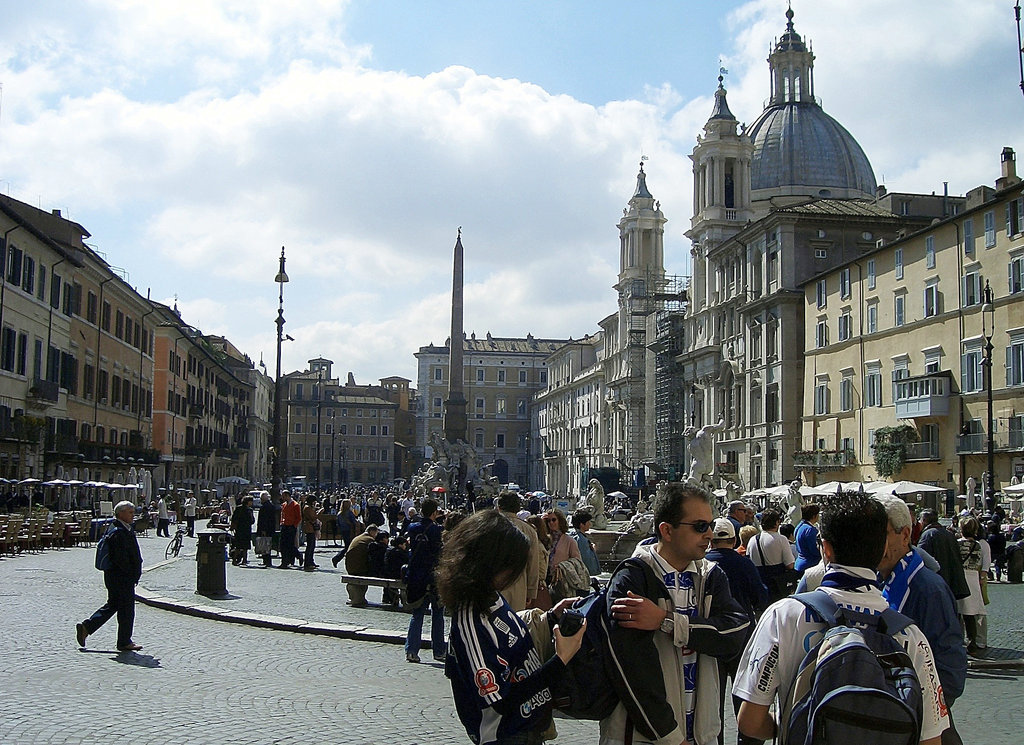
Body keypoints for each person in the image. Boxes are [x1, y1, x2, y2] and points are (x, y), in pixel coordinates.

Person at [733, 492, 950, 745]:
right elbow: (930, 738)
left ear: (825, 548)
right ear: (882, 549)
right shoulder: (910, 635)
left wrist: (804, 722)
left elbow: (750, 722)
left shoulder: (784, 616)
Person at [601, 482, 749, 745]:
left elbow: (735, 634)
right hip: (643, 737)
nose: (709, 535)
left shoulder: (711, 576)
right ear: (667, 530)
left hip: (702, 732)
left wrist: (665, 621)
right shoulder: (632, 578)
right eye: (700, 527)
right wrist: (669, 737)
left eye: (711, 526)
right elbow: (632, 669)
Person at [439, 509, 585, 745]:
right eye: (512, 566)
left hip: (529, 725)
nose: (517, 573)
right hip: (507, 735)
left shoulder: (493, 598)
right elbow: (501, 700)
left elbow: (513, 641)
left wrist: (550, 618)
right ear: (491, 564)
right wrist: (560, 660)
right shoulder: (471, 623)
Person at [874, 493, 967, 745]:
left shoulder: (928, 588)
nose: (872, 543)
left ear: (904, 535)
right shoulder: (879, 580)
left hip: (918, 723)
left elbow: (950, 669)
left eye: (880, 534)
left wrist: (916, 710)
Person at [704, 518, 769, 745]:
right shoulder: (744, 564)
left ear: (711, 541)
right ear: (733, 540)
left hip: (712, 638)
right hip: (742, 637)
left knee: (712, 699)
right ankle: (747, 739)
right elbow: (760, 598)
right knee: (743, 693)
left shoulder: (703, 565)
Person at [76, 500, 144, 652]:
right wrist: (130, 575)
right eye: (130, 512)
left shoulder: (119, 528)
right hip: (120, 577)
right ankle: (124, 641)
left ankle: (87, 628)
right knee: (126, 609)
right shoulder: (119, 532)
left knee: (114, 605)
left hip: (116, 576)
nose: (133, 515)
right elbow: (121, 558)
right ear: (121, 513)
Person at [404, 498, 445, 663]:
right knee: (438, 614)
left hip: (416, 576)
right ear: (435, 513)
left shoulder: (413, 527)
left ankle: (412, 651)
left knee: (417, 614)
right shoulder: (437, 530)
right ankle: (439, 651)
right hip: (433, 575)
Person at [496, 491, 541, 611]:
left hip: (493, 584)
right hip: (518, 584)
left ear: (499, 507)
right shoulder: (529, 530)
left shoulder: (488, 527)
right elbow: (533, 563)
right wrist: (531, 591)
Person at [918, 509, 970, 600]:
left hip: (936, 583)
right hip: (952, 582)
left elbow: (920, 559)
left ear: (924, 521)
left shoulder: (927, 535)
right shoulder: (949, 534)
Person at [956, 516, 989, 656]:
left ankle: (957, 640)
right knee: (970, 613)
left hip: (959, 577)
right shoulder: (979, 545)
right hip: (973, 577)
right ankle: (972, 641)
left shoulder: (956, 544)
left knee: (957, 611)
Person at [746, 508, 795, 602]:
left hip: (759, 583)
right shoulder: (781, 539)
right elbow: (790, 565)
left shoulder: (752, 540)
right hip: (777, 583)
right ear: (776, 522)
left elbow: (749, 561)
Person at [542, 508, 581, 603]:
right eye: (548, 520)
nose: (551, 522)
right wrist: (541, 521)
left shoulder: (570, 541)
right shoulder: (544, 539)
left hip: (560, 581)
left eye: (553, 519)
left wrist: (562, 566)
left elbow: (577, 562)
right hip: (544, 579)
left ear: (560, 521)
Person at [344, 523, 379, 607]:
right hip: (360, 569)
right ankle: (358, 599)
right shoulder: (370, 539)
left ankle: (354, 597)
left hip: (350, 567)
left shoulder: (358, 537)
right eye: (376, 533)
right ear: (372, 532)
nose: (376, 536)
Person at [569, 509, 602, 577]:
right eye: (588, 522)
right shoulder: (581, 540)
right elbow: (587, 560)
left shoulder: (575, 536)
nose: (590, 524)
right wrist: (593, 550)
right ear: (582, 524)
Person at [330, 498, 359, 567]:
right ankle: (337, 558)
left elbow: (338, 524)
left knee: (347, 545)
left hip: (343, 531)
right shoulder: (349, 513)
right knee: (349, 546)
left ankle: (339, 558)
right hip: (350, 531)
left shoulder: (339, 514)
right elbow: (354, 522)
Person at [793, 504, 820, 573]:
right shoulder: (810, 530)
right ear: (814, 516)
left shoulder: (799, 526)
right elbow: (814, 550)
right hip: (809, 564)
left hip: (799, 562)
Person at [229, 495, 255, 565]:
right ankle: (244, 560)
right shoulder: (249, 510)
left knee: (238, 546)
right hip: (246, 529)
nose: (252, 503)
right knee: (245, 547)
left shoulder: (238, 508)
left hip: (239, 529)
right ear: (248, 502)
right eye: (251, 501)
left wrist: (233, 526)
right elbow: (252, 520)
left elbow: (234, 518)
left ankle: (234, 560)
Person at [383, 534, 409, 605]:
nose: (405, 546)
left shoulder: (389, 550)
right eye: (404, 544)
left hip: (387, 574)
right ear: (400, 545)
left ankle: (388, 598)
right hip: (396, 575)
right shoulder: (400, 553)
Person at [278, 490, 301, 568]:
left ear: (288, 496)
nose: (283, 497)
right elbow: (283, 515)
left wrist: (294, 526)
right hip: (284, 526)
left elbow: (298, 517)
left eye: (284, 496)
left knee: (290, 545)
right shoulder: (284, 505)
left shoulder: (295, 505)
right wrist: (281, 522)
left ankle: (299, 555)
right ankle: (284, 562)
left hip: (291, 527)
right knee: (283, 545)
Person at [255, 492, 278, 567]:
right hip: (270, 528)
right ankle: (266, 561)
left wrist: (263, 530)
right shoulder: (271, 506)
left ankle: (267, 561)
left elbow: (264, 519)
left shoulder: (265, 507)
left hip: (265, 529)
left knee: (265, 545)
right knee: (267, 545)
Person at [301, 495, 321, 571]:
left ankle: (311, 561)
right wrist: (319, 512)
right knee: (310, 546)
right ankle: (307, 562)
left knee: (312, 546)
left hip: (310, 528)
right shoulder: (307, 508)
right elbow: (313, 517)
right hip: (309, 528)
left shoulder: (308, 507)